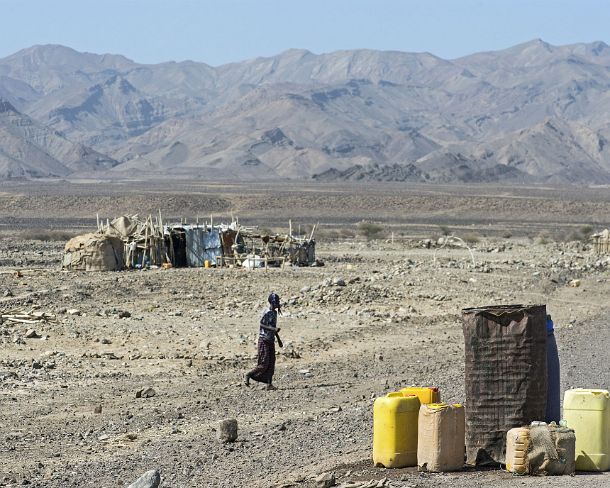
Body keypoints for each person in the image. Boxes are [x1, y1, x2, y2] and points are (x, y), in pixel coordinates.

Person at [245, 293, 283, 390]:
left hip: (271, 340)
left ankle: (269, 384)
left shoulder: (274, 313)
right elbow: (262, 325)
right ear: (271, 302)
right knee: (264, 362)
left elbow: (273, 326)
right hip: (264, 339)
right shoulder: (267, 312)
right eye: (275, 302)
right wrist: (273, 329)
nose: (277, 304)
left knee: (271, 363)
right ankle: (249, 375)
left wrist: (278, 339)